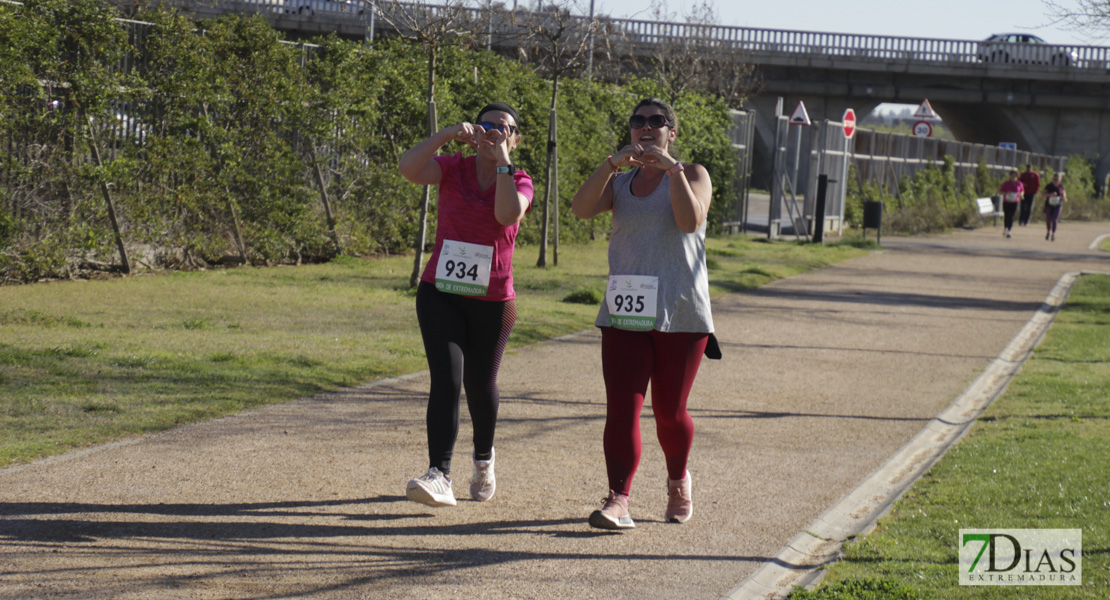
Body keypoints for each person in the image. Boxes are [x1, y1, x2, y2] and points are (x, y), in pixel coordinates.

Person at [571, 98, 719, 530]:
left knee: (670, 412)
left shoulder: (692, 174)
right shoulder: (620, 182)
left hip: (680, 311)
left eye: (658, 122)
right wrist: (611, 164)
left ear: (673, 132)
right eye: (638, 122)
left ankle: (677, 481)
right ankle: (618, 498)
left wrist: (671, 169)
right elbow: (580, 208)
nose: (647, 128)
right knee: (621, 408)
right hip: (625, 310)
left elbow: (690, 220)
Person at [397, 103, 533, 507]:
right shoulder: (452, 167)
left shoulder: (521, 179)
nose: (494, 134)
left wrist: (504, 161)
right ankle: (439, 473)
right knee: (447, 380)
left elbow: (506, 214)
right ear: (474, 132)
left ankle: (483, 458)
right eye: (487, 126)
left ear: (515, 139)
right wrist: (445, 135)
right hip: (440, 292)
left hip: (492, 300)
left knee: (479, 384)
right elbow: (408, 168)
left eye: (504, 129)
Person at [998, 170, 1024, 238]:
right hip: (1006, 201)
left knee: (1011, 216)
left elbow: (1022, 191)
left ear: (1017, 177)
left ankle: (1009, 230)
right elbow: (1000, 192)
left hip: (1015, 202)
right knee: (1007, 215)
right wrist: (1006, 192)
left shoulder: (1019, 183)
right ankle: (1006, 228)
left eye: (1015, 176)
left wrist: (1021, 195)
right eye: (1012, 176)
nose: (1013, 177)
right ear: (1010, 176)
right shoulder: (1006, 183)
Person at [1041, 172, 1066, 242]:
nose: (1056, 180)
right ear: (1053, 179)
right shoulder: (1049, 186)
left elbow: (1064, 194)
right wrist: (1050, 194)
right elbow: (1043, 195)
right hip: (1049, 205)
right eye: (1055, 178)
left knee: (1054, 219)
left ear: (1060, 179)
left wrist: (1064, 197)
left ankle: (1053, 234)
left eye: (1057, 178)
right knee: (1048, 219)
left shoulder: (1061, 186)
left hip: (1058, 205)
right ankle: (1048, 232)